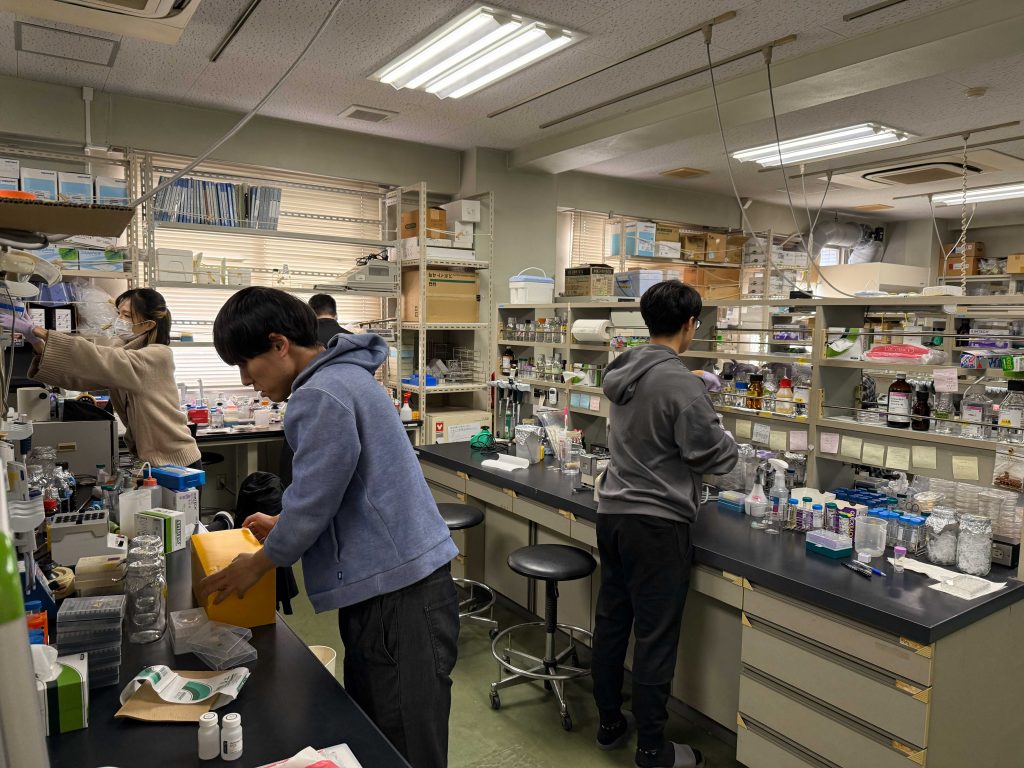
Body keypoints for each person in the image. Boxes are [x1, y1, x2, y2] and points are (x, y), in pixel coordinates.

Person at [198, 287, 459, 768]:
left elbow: (316, 501)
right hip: (397, 582)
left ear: (279, 345)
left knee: (404, 743)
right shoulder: (346, 377)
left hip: (398, 594)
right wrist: (283, 521)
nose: (246, 380)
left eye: (245, 364)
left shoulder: (319, 394)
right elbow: (344, 485)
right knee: (383, 728)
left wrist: (258, 565)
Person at [591, 280, 737, 768]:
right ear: (691, 324)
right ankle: (653, 749)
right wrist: (722, 429)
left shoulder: (626, 366)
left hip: (613, 514)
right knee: (655, 637)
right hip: (657, 524)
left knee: (613, 622)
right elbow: (714, 457)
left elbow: (654, 404)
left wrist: (689, 385)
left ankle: (609, 723)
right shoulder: (681, 384)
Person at [4, 288, 200, 469]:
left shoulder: (157, 356)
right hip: (154, 461)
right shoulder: (124, 353)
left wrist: (39, 331)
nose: (119, 320)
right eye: (119, 313)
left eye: (127, 316)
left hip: (178, 461)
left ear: (148, 324)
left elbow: (98, 357)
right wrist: (36, 342)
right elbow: (80, 377)